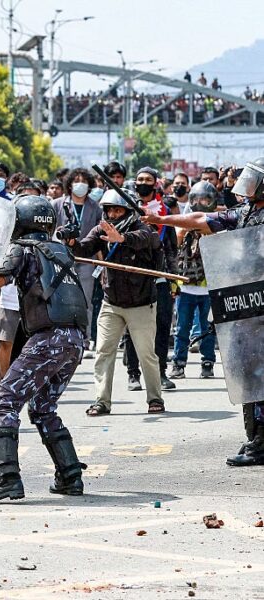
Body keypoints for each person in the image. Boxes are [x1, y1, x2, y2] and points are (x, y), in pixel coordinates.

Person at [142, 156, 264, 466]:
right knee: (252, 372)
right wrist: (161, 220)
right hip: (250, 304)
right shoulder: (245, 212)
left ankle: (262, 442)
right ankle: (258, 436)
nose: (247, 185)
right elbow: (199, 219)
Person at [0, 195, 88, 503]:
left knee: (3, 405)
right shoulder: (60, 251)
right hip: (75, 339)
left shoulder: (22, 249)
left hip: (49, 339)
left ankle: (7, 478)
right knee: (43, 407)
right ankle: (70, 476)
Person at [70, 189, 165, 415]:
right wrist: (71, 241)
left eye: (117, 210)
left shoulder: (142, 228)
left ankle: (155, 398)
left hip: (141, 303)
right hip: (111, 302)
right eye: (109, 210)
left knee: (146, 354)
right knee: (103, 351)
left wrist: (122, 239)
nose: (112, 215)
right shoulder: (101, 228)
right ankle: (102, 401)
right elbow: (84, 248)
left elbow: (147, 239)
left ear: (128, 212)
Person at [123, 167, 177, 392]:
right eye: (140, 179)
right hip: (133, 277)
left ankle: (160, 372)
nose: (143, 183)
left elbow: (171, 248)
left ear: (155, 184)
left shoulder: (165, 211)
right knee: (133, 327)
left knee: (162, 325)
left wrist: (173, 279)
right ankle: (133, 373)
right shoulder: (127, 207)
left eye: (148, 180)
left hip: (160, 276)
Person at [168, 182, 217, 380]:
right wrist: (186, 227)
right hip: (186, 287)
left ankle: (208, 362)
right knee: (182, 329)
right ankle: (179, 363)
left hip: (209, 288)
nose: (200, 203)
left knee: (208, 329)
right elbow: (176, 244)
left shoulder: (216, 224)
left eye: (204, 199)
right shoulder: (184, 224)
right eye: (196, 199)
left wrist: (203, 226)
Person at [52, 168, 103, 351]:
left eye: (84, 181)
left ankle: (85, 338)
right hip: (61, 257)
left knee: (85, 300)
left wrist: (101, 264)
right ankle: (61, 336)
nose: (80, 184)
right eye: (76, 181)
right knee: (62, 298)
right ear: (69, 184)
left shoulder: (95, 207)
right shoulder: (58, 204)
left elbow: (99, 238)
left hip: (87, 259)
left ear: (89, 185)